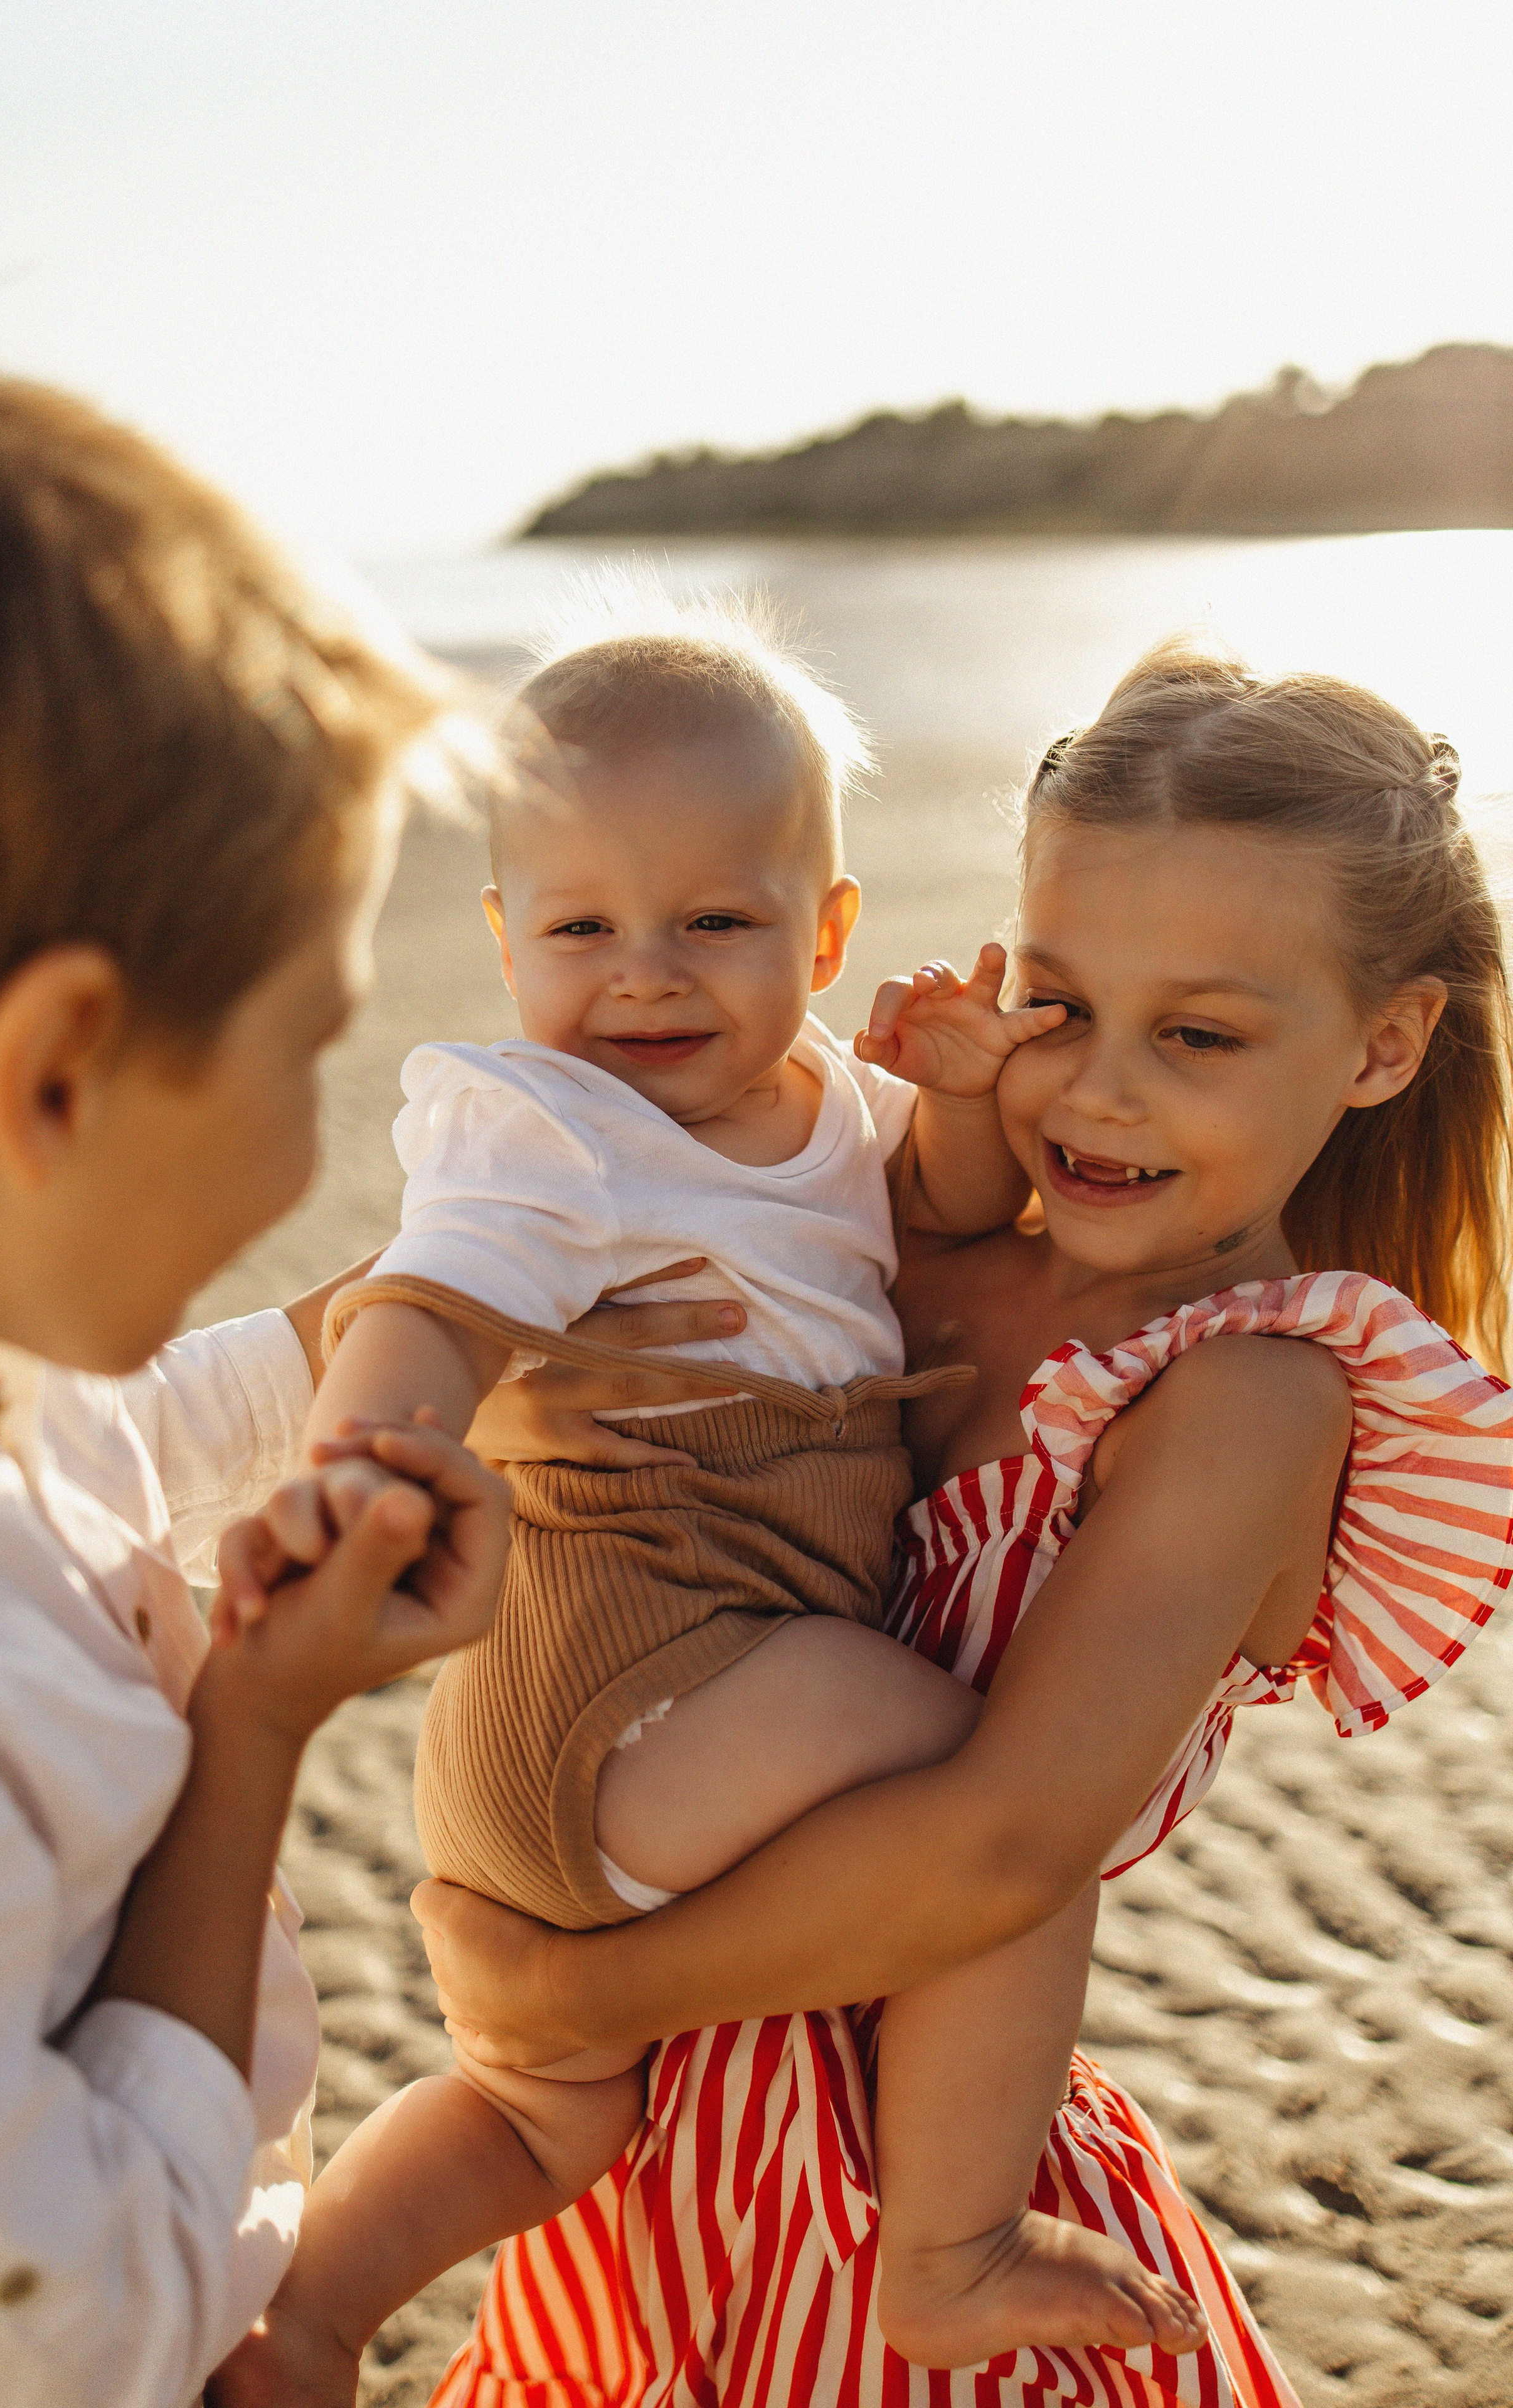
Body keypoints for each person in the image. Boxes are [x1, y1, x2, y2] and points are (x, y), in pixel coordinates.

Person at [410, 641, 1513, 2407]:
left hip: (910, 2193)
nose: (1099, 1094)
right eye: (1061, 1007)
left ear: (1384, 1046)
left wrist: (567, 1995)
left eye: (1202, 1036)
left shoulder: (1246, 1400)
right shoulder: (895, 1255)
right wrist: (523, 1377)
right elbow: (461, 1324)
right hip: (639, 2182)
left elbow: (1005, 1852)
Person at [213, 597, 1218, 2404]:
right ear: (506, 937)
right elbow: (428, 1302)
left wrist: (966, 1097)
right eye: (584, 926)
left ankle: (316, 2308)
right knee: (997, 1804)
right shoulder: (549, 1132)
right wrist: (375, 1450)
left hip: (599, 1727)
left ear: (826, 934)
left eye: (717, 925)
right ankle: (949, 2249)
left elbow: (950, 1207)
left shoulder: (830, 1103)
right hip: (642, 1669)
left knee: (540, 2119)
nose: (647, 976)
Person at [0, 359, 510, 2408]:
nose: (308, 1132)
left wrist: (343, 1344)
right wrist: (255, 1723)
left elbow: (106, 1445)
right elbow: (62, 2324)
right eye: (306, 1051)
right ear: (55, 1072)